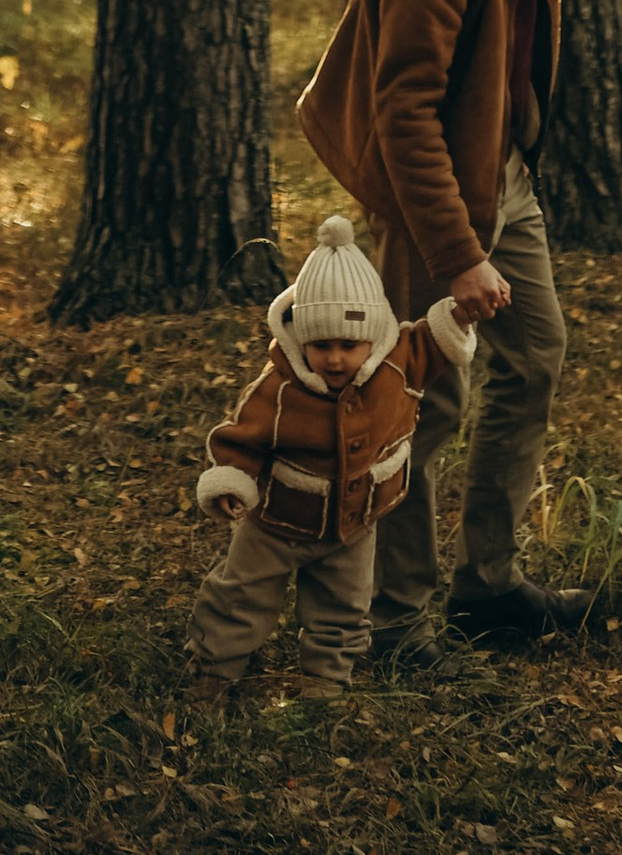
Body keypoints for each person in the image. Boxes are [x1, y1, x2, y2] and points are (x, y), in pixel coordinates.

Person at [296, 0, 618, 667]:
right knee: (421, 401)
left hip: (499, 167)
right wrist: (456, 249)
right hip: (426, 179)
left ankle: (487, 585)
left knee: (537, 352)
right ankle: (391, 627)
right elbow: (404, 108)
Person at [187, 214, 479, 705]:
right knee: (240, 597)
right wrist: (232, 482)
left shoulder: (396, 363)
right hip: (277, 523)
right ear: (301, 339)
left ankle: (326, 689)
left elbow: (434, 338)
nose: (336, 359)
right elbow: (241, 439)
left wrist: (463, 314)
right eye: (321, 345)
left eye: (350, 344)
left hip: (354, 526)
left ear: (376, 334)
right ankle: (214, 675)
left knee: (344, 609)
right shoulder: (280, 386)